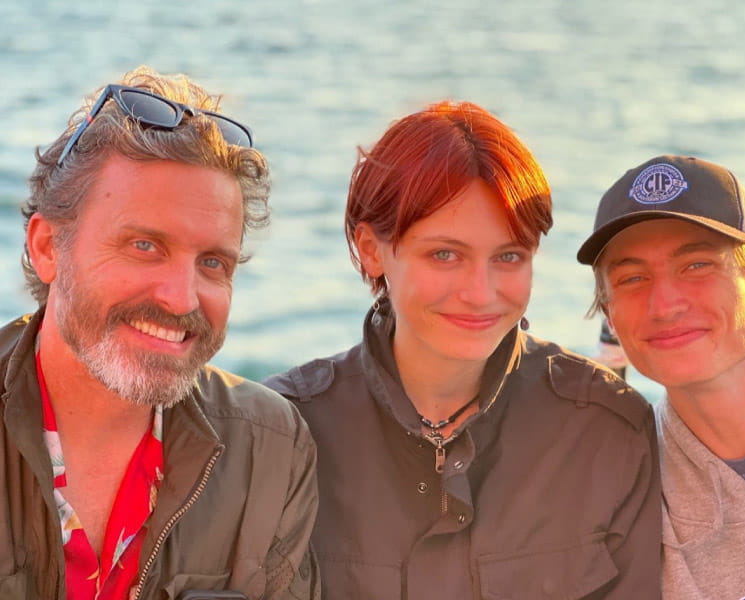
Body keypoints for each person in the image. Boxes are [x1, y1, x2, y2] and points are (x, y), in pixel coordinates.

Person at [264, 101, 660, 599]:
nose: (480, 292)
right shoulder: (281, 436)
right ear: (370, 249)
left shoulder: (609, 432)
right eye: (445, 254)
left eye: (509, 256)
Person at [0, 66, 319, 600]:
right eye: (145, 246)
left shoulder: (269, 449)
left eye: (213, 262)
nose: (181, 299)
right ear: (48, 248)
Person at [578, 154, 745, 600]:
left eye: (697, 265)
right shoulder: (628, 510)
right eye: (632, 278)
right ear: (610, 316)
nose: (665, 305)